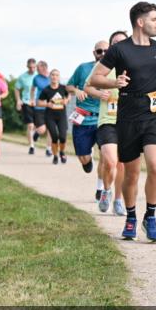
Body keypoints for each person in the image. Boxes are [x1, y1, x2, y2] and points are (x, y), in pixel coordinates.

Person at [91, 1, 156, 242]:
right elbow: (96, 78)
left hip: (155, 116)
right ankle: (130, 217)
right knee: (131, 174)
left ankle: (150, 216)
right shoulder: (119, 50)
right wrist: (113, 83)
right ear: (140, 22)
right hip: (127, 117)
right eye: (154, 19)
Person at [86, 30, 130, 214]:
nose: (119, 46)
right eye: (115, 43)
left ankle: (118, 200)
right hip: (107, 120)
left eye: (123, 42)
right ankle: (106, 190)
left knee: (122, 165)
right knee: (111, 161)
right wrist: (99, 93)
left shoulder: (135, 65)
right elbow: (87, 86)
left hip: (128, 121)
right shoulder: (104, 66)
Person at [67, 42, 107, 200]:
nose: (103, 53)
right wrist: (76, 90)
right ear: (94, 53)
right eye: (99, 51)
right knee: (84, 157)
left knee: (105, 155)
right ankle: (87, 158)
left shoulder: (114, 71)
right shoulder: (83, 68)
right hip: (83, 119)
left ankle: (100, 188)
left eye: (106, 51)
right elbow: (69, 85)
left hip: (103, 119)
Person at [37, 69, 70, 164]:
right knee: (54, 137)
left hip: (61, 116)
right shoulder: (46, 89)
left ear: (59, 77)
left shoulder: (63, 88)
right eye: (52, 75)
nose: (54, 77)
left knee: (63, 137)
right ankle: (55, 156)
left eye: (56, 75)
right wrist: (47, 104)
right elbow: (38, 102)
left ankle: (62, 152)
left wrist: (66, 101)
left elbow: (69, 96)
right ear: (50, 77)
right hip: (50, 116)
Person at [14, 58, 39, 154]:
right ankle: (31, 146)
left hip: (38, 103)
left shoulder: (39, 76)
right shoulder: (22, 77)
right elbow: (16, 89)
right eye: (30, 67)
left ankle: (36, 134)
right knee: (30, 125)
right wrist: (18, 100)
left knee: (39, 125)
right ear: (27, 66)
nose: (32, 69)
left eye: (34, 67)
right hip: (26, 102)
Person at [32, 60, 52, 156]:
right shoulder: (36, 78)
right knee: (42, 129)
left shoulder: (52, 77)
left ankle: (48, 149)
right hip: (39, 107)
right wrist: (32, 99)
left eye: (38, 68)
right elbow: (33, 89)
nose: (36, 69)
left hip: (51, 107)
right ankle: (36, 133)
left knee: (51, 129)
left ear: (44, 68)